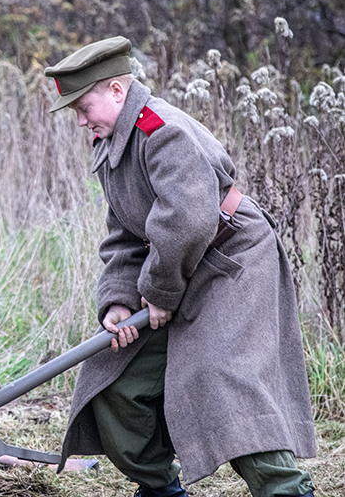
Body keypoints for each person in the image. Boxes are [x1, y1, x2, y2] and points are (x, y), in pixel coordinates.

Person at [44, 36, 316, 497]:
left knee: (221, 380)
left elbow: (188, 221)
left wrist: (159, 294)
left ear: (116, 90)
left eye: (84, 107)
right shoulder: (113, 144)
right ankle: (159, 489)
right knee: (114, 379)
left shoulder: (160, 130)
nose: (81, 120)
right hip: (176, 265)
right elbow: (125, 234)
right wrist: (118, 300)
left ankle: (287, 490)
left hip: (231, 261)